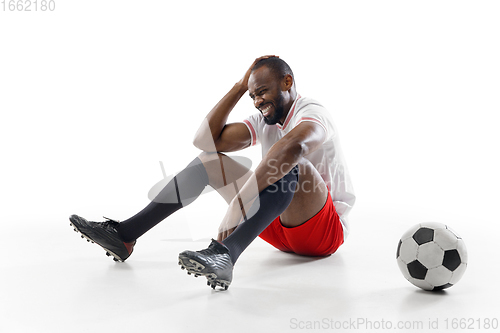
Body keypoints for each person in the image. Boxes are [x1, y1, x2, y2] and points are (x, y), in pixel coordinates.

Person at [69, 55, 356, 290]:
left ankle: (225, 254)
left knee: (293, 162)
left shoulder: (313, 111)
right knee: (209, 160)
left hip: (322, 233)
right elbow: (205, 140)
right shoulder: (264, 119)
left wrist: (239, 204)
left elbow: (292, 149)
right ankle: (125, 235)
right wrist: (239, 86)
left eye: (263, 91)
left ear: (288, 82)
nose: (257, 101)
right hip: (275, 224)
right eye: (253, 95)